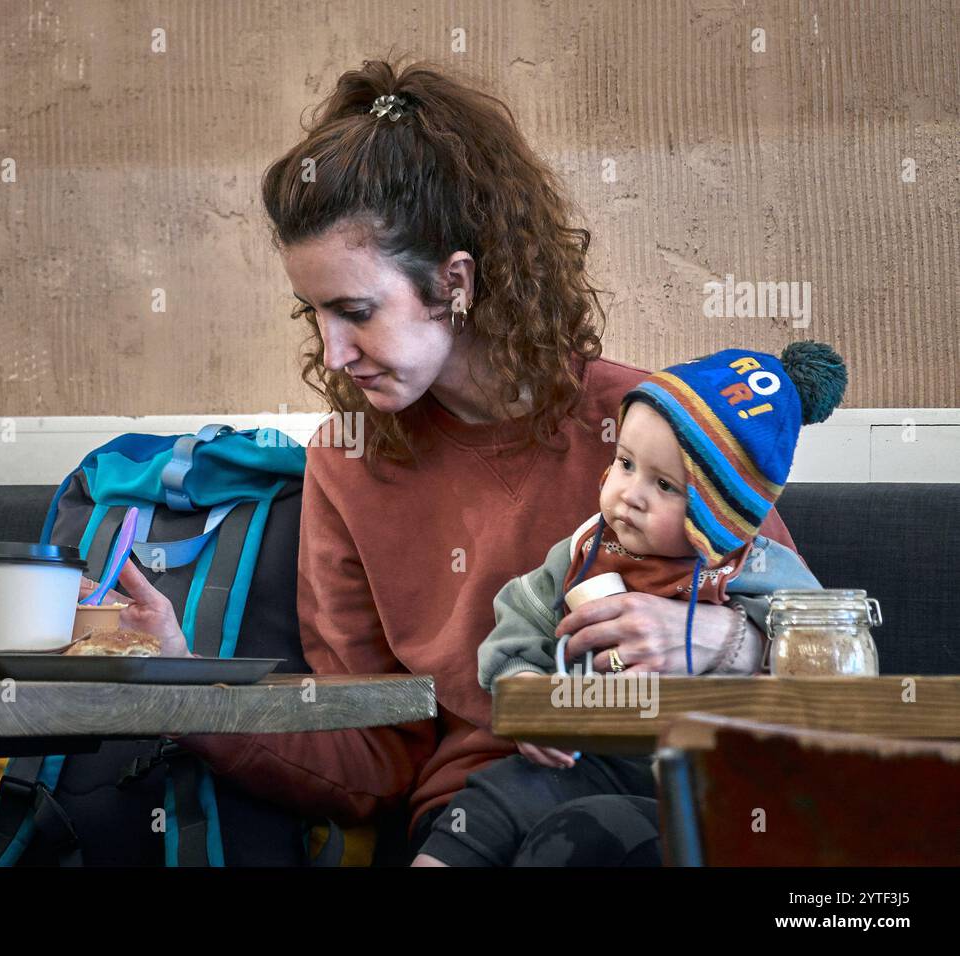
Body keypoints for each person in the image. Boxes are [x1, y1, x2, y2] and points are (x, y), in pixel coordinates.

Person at [92, 57, 812, 865]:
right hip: (479, 822)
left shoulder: (648, 426)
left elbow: (830, 663)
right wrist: (188, 690)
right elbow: (373, 755)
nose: (332, 352)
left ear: (455, 283)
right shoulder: (348, 463)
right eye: (315, 313)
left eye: (355, 311)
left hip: (682, 791)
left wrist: (722, 645)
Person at [413, 342, 845, 866]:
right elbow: (518, 628)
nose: (629, 494)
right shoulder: (584, 551)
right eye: (624, 463)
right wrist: (529, 701)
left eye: (665, 484)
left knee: (589, 835)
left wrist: (741, 638)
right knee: (491, 801)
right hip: (591, 759)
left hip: (719, 775)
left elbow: (829, 650)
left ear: (723, 513)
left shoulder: (757, 570)